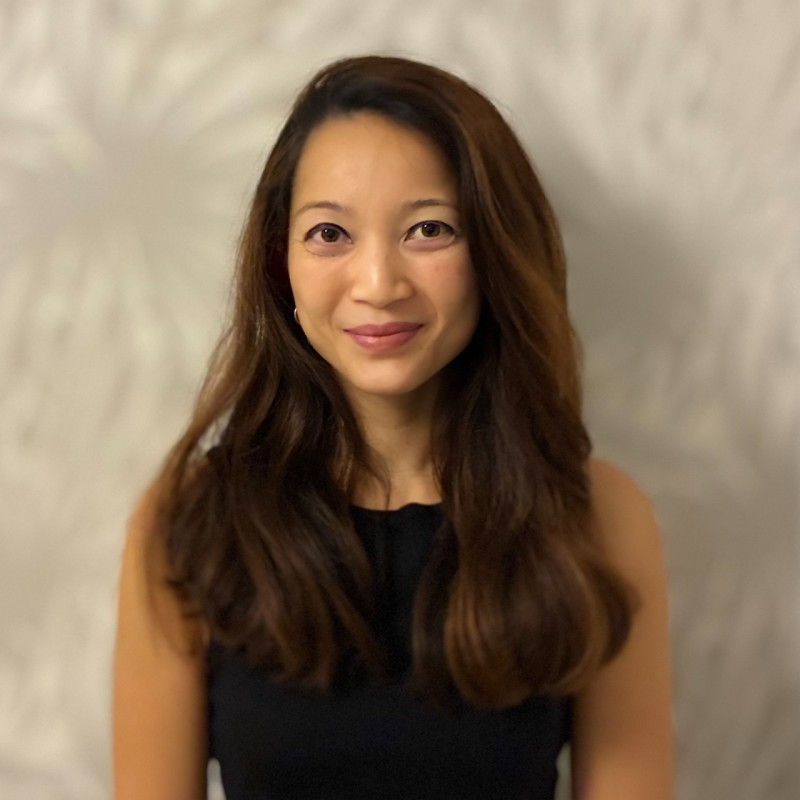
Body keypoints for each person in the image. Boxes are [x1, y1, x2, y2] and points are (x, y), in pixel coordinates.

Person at [113, 55, 673, 800]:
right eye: (329, 233)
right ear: (281, 263)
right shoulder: (188, 521)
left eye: (429, 229)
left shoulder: (601, 516)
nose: (378, 284)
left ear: (494, 253)